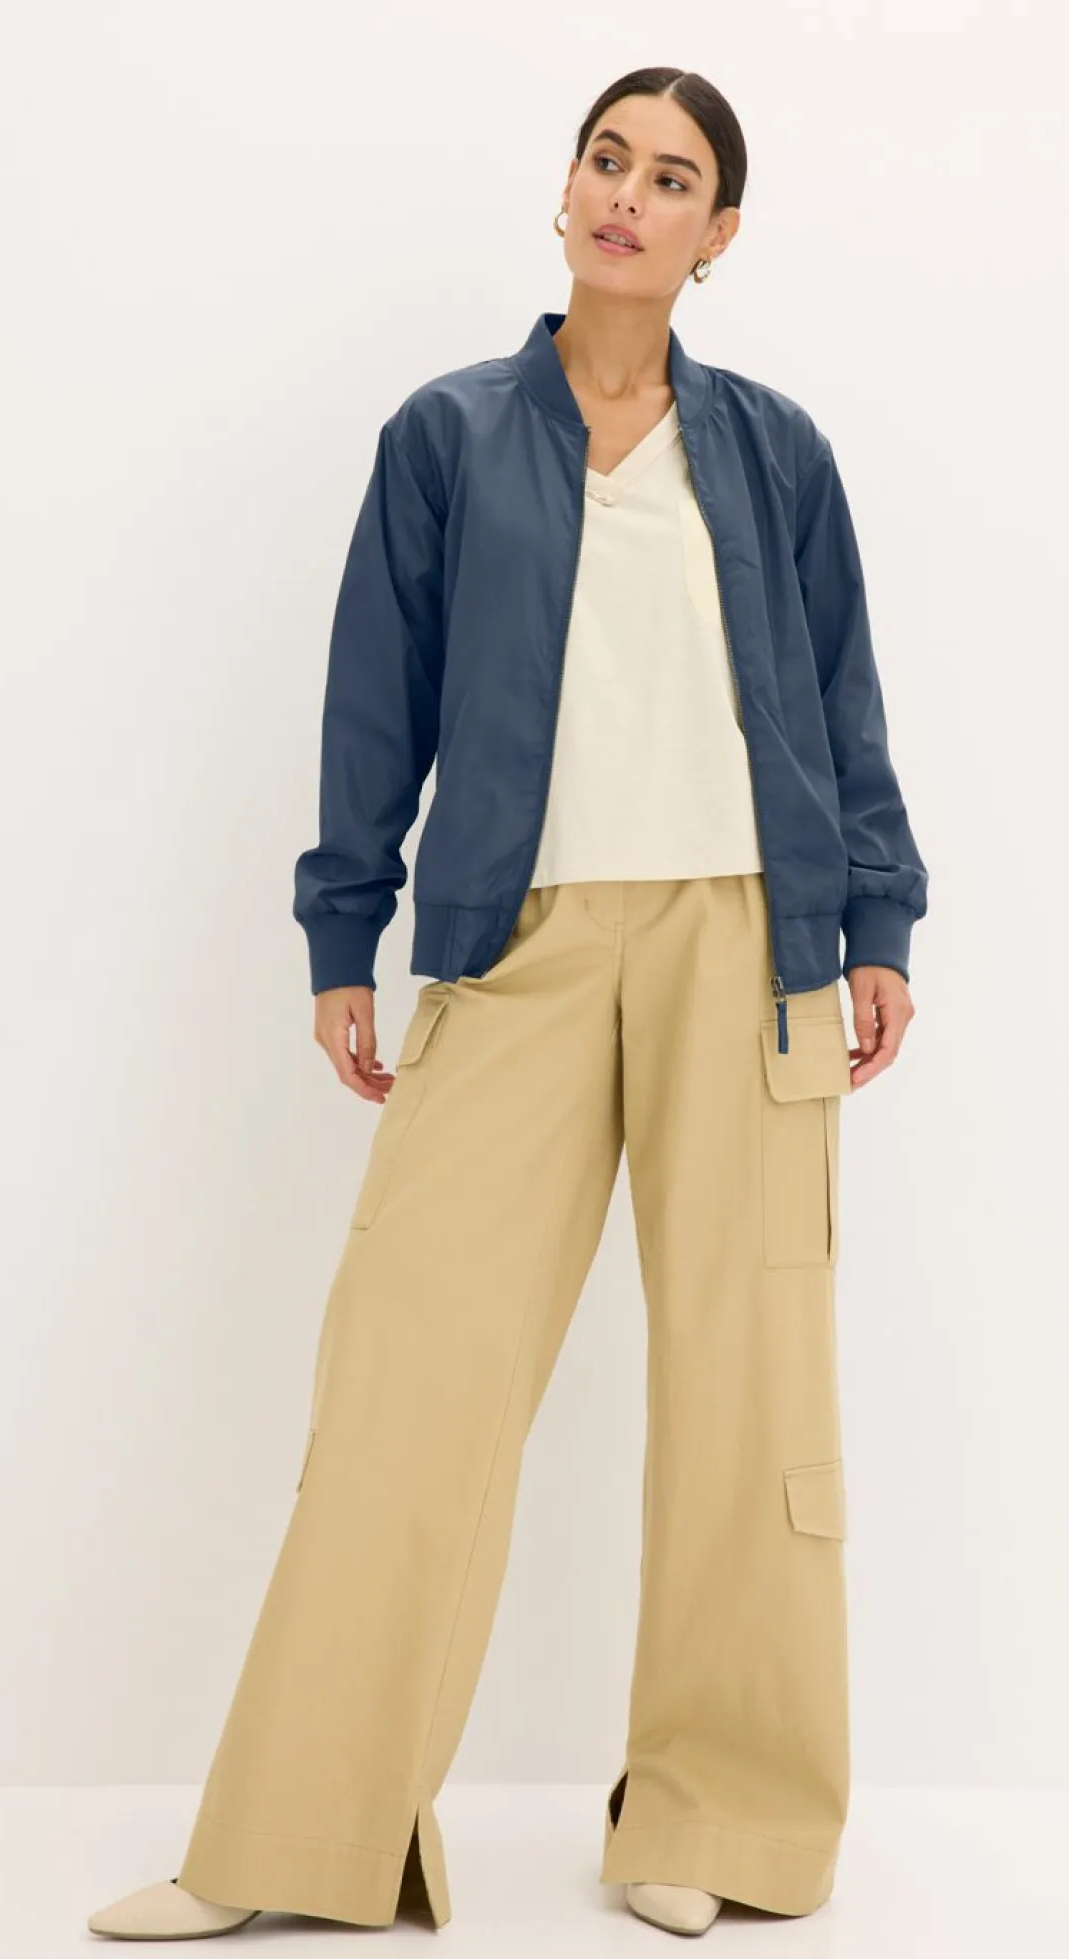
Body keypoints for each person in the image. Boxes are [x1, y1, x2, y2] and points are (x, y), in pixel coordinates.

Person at [88, 64, 927, 1944]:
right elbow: (372, 694)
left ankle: (720, 1818)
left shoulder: (775, 452)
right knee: (407, 1379)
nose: (628, 194)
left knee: (748, 1393)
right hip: (517, 946)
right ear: (566, 192)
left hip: (747, 941)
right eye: (606, 159)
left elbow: (843, 700)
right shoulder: (449, 435)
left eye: (674, 178)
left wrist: (879, 914)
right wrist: (343, 931)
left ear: (719, 235)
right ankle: (292, 1841)